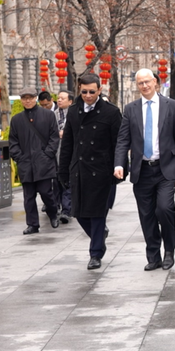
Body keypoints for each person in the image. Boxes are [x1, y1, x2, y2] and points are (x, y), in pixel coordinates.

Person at [114, 68, 175, 271]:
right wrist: (119, 164)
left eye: (148, 82)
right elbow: (123, 139)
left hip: (167, 168)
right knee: (146, 215)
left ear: (155, 82)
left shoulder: (170, 105)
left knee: (165, 209)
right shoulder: (130, 109)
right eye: (140, 83)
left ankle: (170, 250)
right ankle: (153, 255)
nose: (145, 86)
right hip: (142, 170)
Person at [58, 73, 122, 270]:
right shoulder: (74, 110)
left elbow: (118, 143)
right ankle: (99, 234)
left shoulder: (111, 112)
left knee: (97, 213)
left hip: (101, 171)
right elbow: (68, 143)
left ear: (99, 90)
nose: (87, 95)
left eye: (91, 92)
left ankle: (95, 253)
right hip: (79, 169)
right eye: (84, 91)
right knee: (78, 212)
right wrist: (63, 171)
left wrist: (118, 168)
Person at [9, 86, 60, 235]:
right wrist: (19, 157)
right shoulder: (17, 120)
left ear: (35, 98)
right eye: (25, 98)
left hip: (44, 162)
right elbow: (13, 142)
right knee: (28, 196)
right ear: (21, 100)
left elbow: (54, 138)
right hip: (26, 163)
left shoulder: (48, 116)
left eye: (30, 97)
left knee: (46, 192)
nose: (28, 100)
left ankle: (53, 213)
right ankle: (32, 224)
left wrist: (47, 155)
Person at [54, 90, 73, 223]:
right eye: (58, 98)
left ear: (70, 101)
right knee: (57, 182)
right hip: (55, 154)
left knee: (69, 182)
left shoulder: (75, 114)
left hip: (70, 154)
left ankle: (67, 210)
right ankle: (58, 206)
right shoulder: (52, 115)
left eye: (62, 98)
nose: (59, 100)